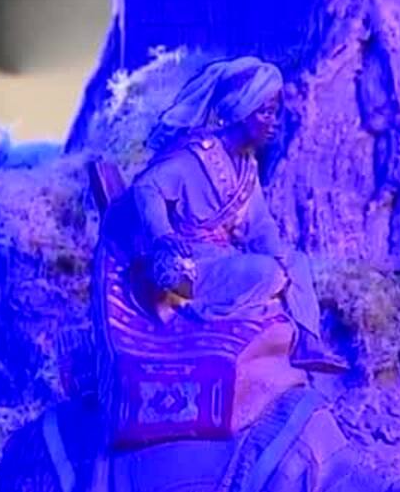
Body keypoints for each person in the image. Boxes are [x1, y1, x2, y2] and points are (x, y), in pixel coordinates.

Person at [104, 56, 344, 373]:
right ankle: (195, 311)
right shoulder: (194, 156)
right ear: (242, 111)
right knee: (268, 274)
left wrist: (281, 255)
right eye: (265, 112)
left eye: (274, 112)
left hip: (221, 257)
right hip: (187, 265)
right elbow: (147, 187)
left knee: (295, 263)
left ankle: (308, 342)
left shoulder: (246, 166)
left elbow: (258, 225)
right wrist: (163, 235)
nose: (273, 122)